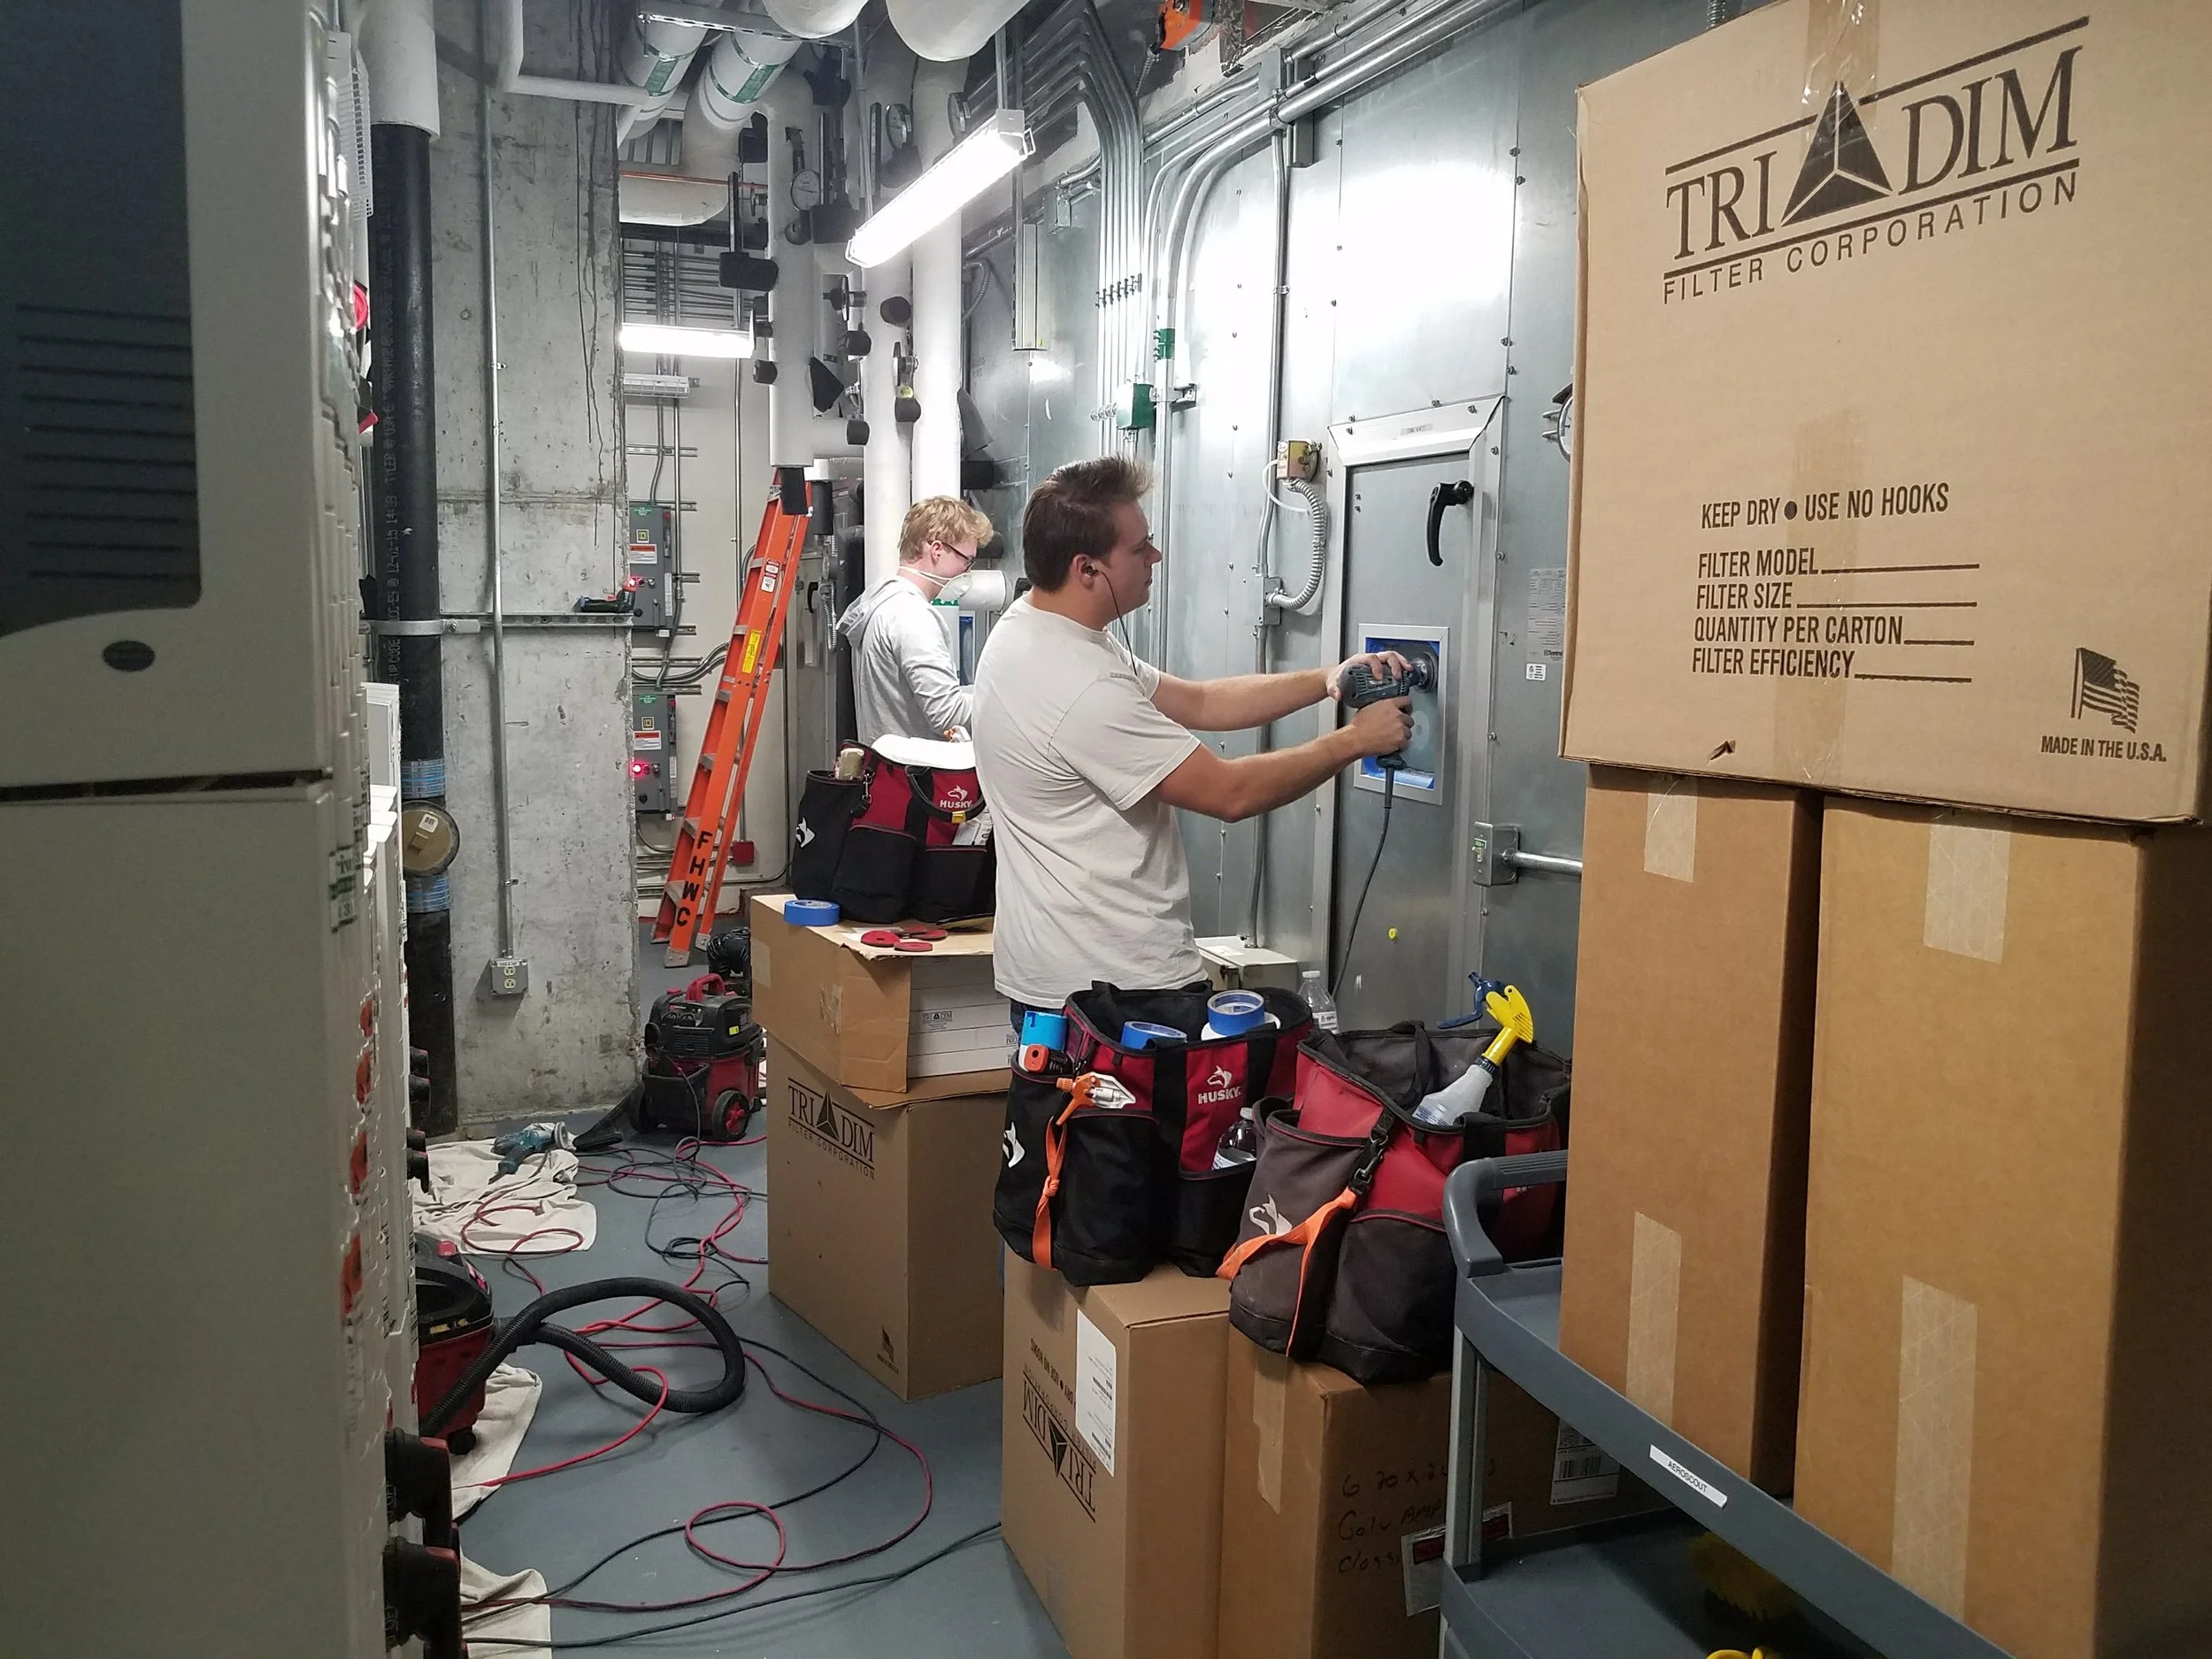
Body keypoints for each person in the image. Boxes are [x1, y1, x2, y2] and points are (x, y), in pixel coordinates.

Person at [972, 456, 1412, 1025]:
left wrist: (1326, 678)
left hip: (1068, 983)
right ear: (1088, 569)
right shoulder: (1077, 684)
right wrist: (1353, 741)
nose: (1155, 556)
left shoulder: (1038, 630)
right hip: (1118, 996)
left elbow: (1201, 701)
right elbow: (1229, 793)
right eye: (1140, 548)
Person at [835, 495, 996, 744]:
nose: (967, 571)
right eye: (967, 561)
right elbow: (947, 714)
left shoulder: (885, 603)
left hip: (888, 764)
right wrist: (1008, 707)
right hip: (915, 768)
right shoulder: (912, 615)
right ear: (937, 550)